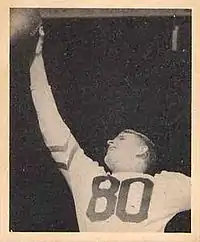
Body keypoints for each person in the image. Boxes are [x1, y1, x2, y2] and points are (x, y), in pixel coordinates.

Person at [29, 26, 191, 232]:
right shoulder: (87, 176)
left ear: (142, 150)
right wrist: (35, 58)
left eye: (121, 138)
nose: (109, 141)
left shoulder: (168, 186)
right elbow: (50, 121)